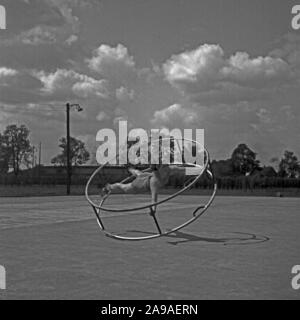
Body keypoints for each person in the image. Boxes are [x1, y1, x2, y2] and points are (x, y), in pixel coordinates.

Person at [101, 164, 185, 216]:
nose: (166, 169)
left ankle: (129, 168)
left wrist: (197, 171)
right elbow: (154, 198)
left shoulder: (169, 169)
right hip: (139, 185)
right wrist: (153, 210)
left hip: (146, 175)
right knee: (123, 187)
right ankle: (108, 187)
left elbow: (182, 169)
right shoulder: (155, 182)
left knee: (138, 173)